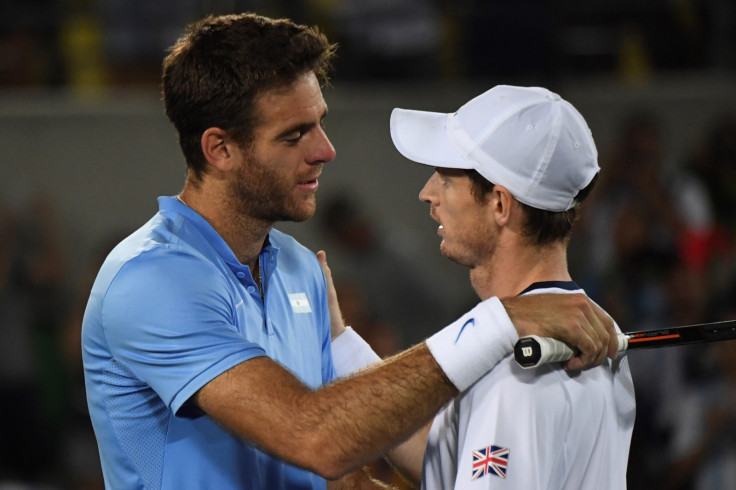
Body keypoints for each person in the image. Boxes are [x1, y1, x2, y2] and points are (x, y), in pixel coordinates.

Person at [81, 13, 618, 490]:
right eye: (295, 135)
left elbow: (341, 480)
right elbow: (316, 439)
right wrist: (505, 320)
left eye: (320, 122)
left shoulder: (298, 269)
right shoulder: (149, 281)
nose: (325, 150)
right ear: (219, 149)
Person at [329, 85, 636, 488]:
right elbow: (451, 467)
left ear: (500, 205)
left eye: (446, 178)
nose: (427, 193)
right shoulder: (587, 326)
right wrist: (339, 344)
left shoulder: (520, 368)